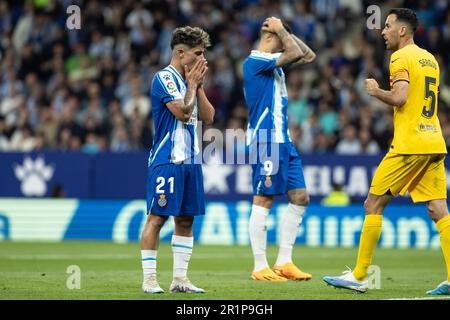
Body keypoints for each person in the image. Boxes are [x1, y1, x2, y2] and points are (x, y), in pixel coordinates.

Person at [323, 8, 450, 295]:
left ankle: (359, 275)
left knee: (373, 204)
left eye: (388, 25)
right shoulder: (430, 59)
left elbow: (400, 98)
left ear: (402, 31)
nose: (383, 31)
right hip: (433, 142)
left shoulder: (400, 57)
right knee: (438, 209)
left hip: (409, 145)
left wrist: (376, 91)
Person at [139, 26, 215, 294]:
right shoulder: (165, 78)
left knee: (185, 220)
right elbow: (183, 112)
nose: (203, 59)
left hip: (191, 161)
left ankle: (180, 279)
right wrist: (191, 86)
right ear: (181, 53)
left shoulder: (191, 81)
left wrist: (199, 87)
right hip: (167, 159)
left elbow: (208, 117)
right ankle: (149, 279)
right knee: (157, 218)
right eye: (198, 53)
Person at [242, 17, 316, 281]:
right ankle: (259, 266)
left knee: (300, 197)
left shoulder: (274, 66)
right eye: (281, 36)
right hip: (266, 140)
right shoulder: (255, 62)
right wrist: (282, 30)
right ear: (270, 37)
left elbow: (308, 56)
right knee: (265, 198)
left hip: (284, 141)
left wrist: (285, 31)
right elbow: (296, 52)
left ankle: (284, 261)